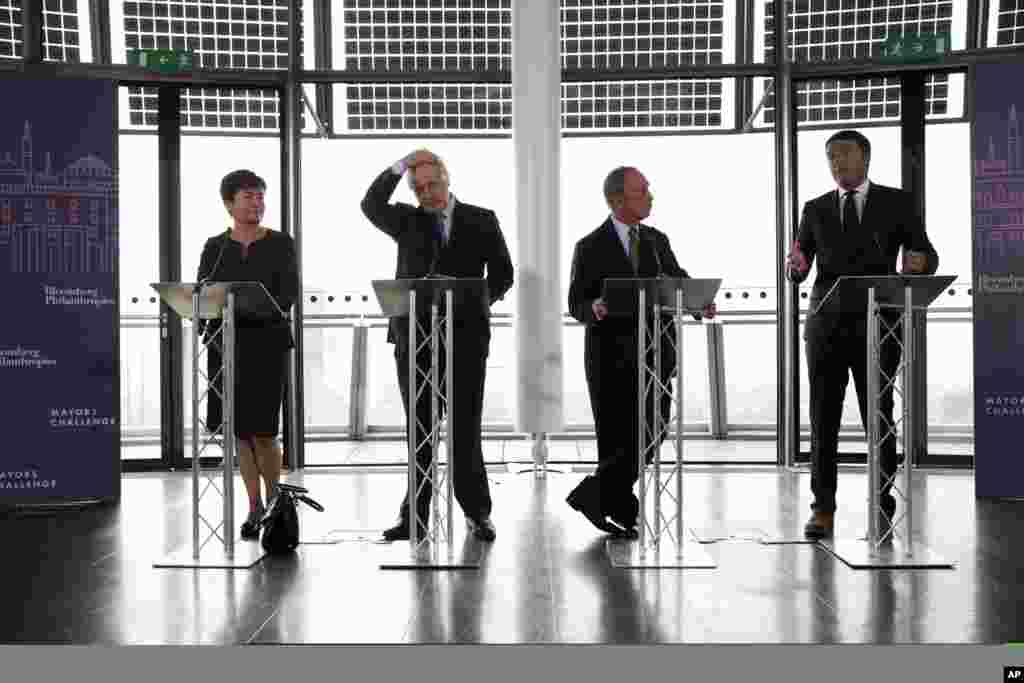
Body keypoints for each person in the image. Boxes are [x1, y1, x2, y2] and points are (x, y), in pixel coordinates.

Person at [786, 130, 938, 539]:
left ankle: (882, 501)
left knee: (879, 416)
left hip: (878, 323)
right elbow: (799, 267)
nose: (837, 163)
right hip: (826, 326)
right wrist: (795, 265)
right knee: (823, 419)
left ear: (866, 158)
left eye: (845, 155)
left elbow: (924, 251)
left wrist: (919, 263)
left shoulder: (896, 201)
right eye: (831, 157)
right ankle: (823, 509)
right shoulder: (814, 209)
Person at [361, 149, 514, 542]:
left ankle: (477, 513)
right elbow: (370, 203)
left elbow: (503, 273)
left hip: (465, 338)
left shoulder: (481, 219)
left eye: (433, 184)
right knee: (421, 429)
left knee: (465, 427)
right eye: (420, 187)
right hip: (415, 337)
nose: (427, 193)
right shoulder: (406, 221)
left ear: (447, 180)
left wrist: (476, 299)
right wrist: (399, 164)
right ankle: (415, 515)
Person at [566, 166, 716, 536]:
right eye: (642, 190)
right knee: (616, 437)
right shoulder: (589, 245)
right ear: (617, 199)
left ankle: (594, 496)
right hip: (609, 356)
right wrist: (594, 308)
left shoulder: (656, 240)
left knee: (654, 428)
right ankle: (621, 510)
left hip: (657, 353)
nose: (650, 195)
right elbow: (575, 301)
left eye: (648, 189)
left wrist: (699, 304)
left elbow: (677, 281)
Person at [197, 169, 299, 541]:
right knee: (240, 433)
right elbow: (202, 294)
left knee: (264, 432)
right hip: (225, 346)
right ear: (229, 203)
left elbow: (288, 293)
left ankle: (276, 505)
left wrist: (253, 307)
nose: (257, 203)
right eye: (248, 197)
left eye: (260, 196)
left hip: (266, 345)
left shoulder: (280, 243)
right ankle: (254, 507)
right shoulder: (215, 246)